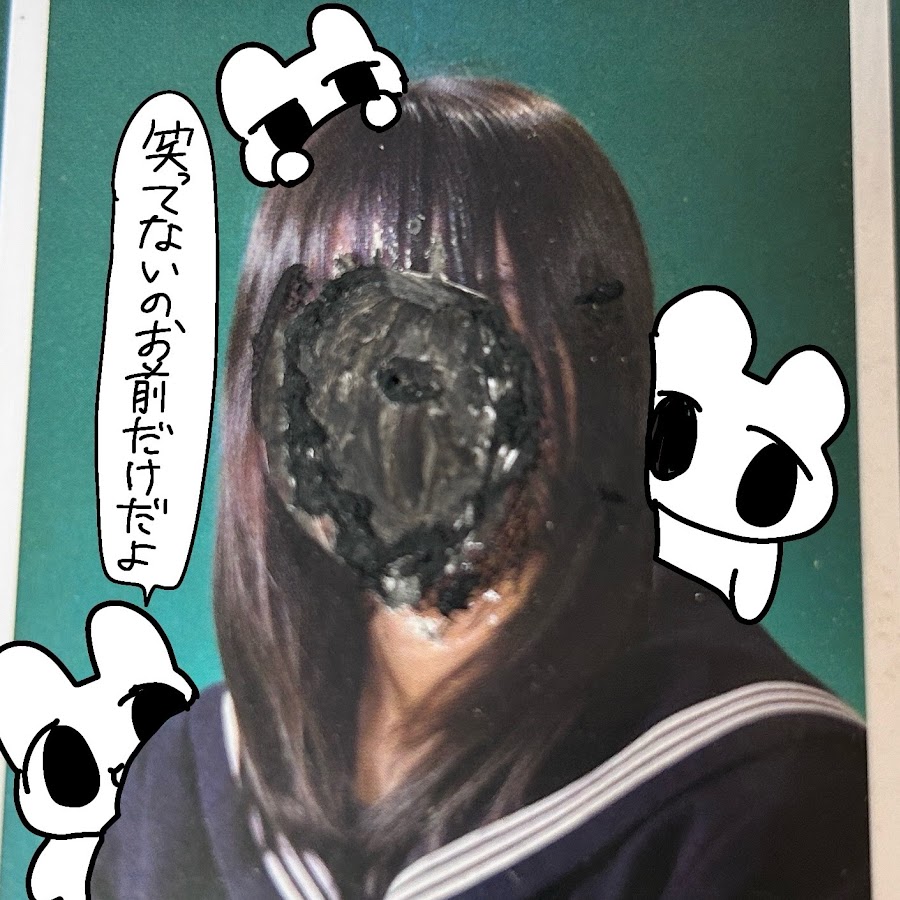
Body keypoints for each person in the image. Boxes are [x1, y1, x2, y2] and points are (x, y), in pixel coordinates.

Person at [92, 78, 869, 899]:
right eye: (336, 310)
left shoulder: (767, 794)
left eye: (479, 305)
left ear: (595, 365)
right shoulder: (181, 792)